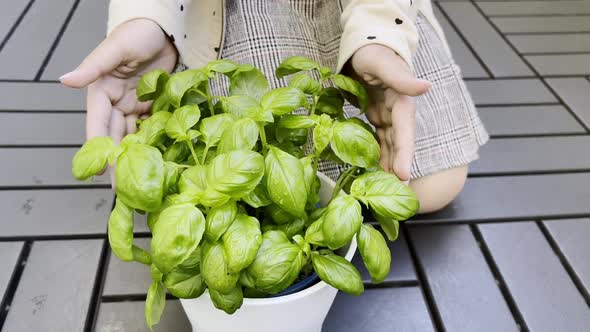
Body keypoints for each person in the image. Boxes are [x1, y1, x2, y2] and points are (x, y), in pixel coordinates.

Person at [60, 0, 488, 214]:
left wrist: (378, 35)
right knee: (240, 191)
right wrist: (148, 19)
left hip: (346, 9)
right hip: (223, 13)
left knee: (430, 186)